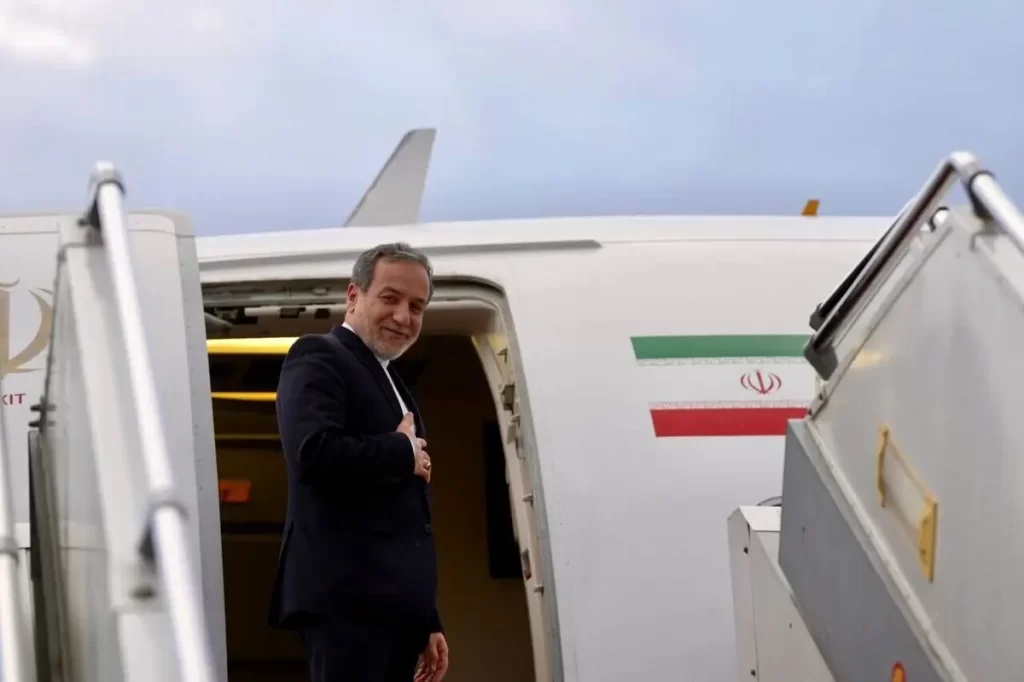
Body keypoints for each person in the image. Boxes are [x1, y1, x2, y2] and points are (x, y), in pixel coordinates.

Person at [268, 242, 449, 681]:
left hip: (393, 609)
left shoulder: (391, 378)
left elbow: (400, 515)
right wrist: (401, 452)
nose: (403, 317)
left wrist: (425, 616)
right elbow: (314, 452)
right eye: (390, 298)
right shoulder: (318, 355)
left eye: (417, 307)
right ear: (354, 296)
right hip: (347, 602)